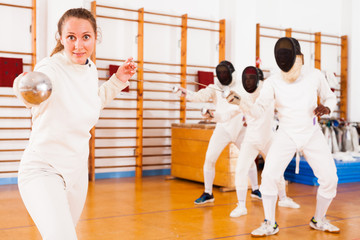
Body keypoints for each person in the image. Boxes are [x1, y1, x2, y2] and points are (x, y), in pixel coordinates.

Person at [13, 8, 136, 239]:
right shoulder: (49, 68)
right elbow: (33, 89)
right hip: (43, 169)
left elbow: (92, 103)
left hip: (77, 173)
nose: (79, 45)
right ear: (61, 38)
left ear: (94, 38)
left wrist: (119, 79)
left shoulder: (89, 69)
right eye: (71, 37)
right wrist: (23, 86)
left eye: (85, 37)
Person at [226, 37, 339, 236]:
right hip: (286, 133)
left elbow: (330, 96)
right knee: (269, 176)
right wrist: (241, 102)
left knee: (330, 178)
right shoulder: (272, 82)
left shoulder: (314, 74)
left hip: (312, 133)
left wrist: (328, 106)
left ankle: (319, 219)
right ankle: (270, 223)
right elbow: (259, 110)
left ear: (297, 56)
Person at [177, 61, 261, 204]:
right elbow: (200, 96)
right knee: (210, 158)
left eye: (225, 73)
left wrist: (250, 118)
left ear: (231, 73)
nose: (223, 75)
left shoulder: (242, 86)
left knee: (249, 158)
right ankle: (208, 193)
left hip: (240, 128)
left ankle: (255, 189)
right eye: (220, 73)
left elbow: (250, 103)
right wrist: (186, 93)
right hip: (222, 128)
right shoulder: (214, 87)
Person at [229, 66, 300, 218]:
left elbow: (256, 111)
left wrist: (240, 102)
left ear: (258, 80)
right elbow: (229, 114)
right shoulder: (243, 95)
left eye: (251, 78)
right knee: (241, 169)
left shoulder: (267, 93)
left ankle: (283, 198)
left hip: (268, 138)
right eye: (246, 78)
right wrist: (213, 115)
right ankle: (241, 205)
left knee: (277, 170)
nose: (248, 81)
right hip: (251, 140)